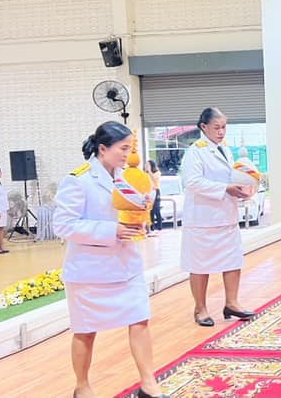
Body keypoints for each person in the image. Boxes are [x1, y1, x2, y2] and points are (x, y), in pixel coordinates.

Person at [52, 121, 167, 398]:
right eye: (123, 148)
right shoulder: (78, 180)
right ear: (103, 148)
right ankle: (82, 386)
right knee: (85, 331)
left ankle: (148, 383)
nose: (127, 154)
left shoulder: (126, 177)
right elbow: (63, 225)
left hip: (125, 264)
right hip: (89, 271)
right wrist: (111, 230)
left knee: (140, 320)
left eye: (129, 148)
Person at [179, 107, 254, 327]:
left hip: (226, 216)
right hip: (203, 219)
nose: (221, 132)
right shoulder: (195, 151)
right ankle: (200, 309)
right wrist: (226, 188)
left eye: (224, 127)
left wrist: (242, 187)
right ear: (203, 127)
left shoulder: (225, 149)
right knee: (200, 266)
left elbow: (229, 176)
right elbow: (193, 182)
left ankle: (232, 303)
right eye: (216, 127)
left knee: (233, 261)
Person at [146, 160, 162, 233]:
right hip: (149, 191)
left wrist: (149, 171)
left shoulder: (157, 173)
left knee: (156, 209)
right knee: (150, 210)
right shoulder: (146, 174)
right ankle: (151, 227)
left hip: (156, 190)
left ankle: (159, 227)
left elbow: (154, 180)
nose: (146, 166)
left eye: (148, 165)